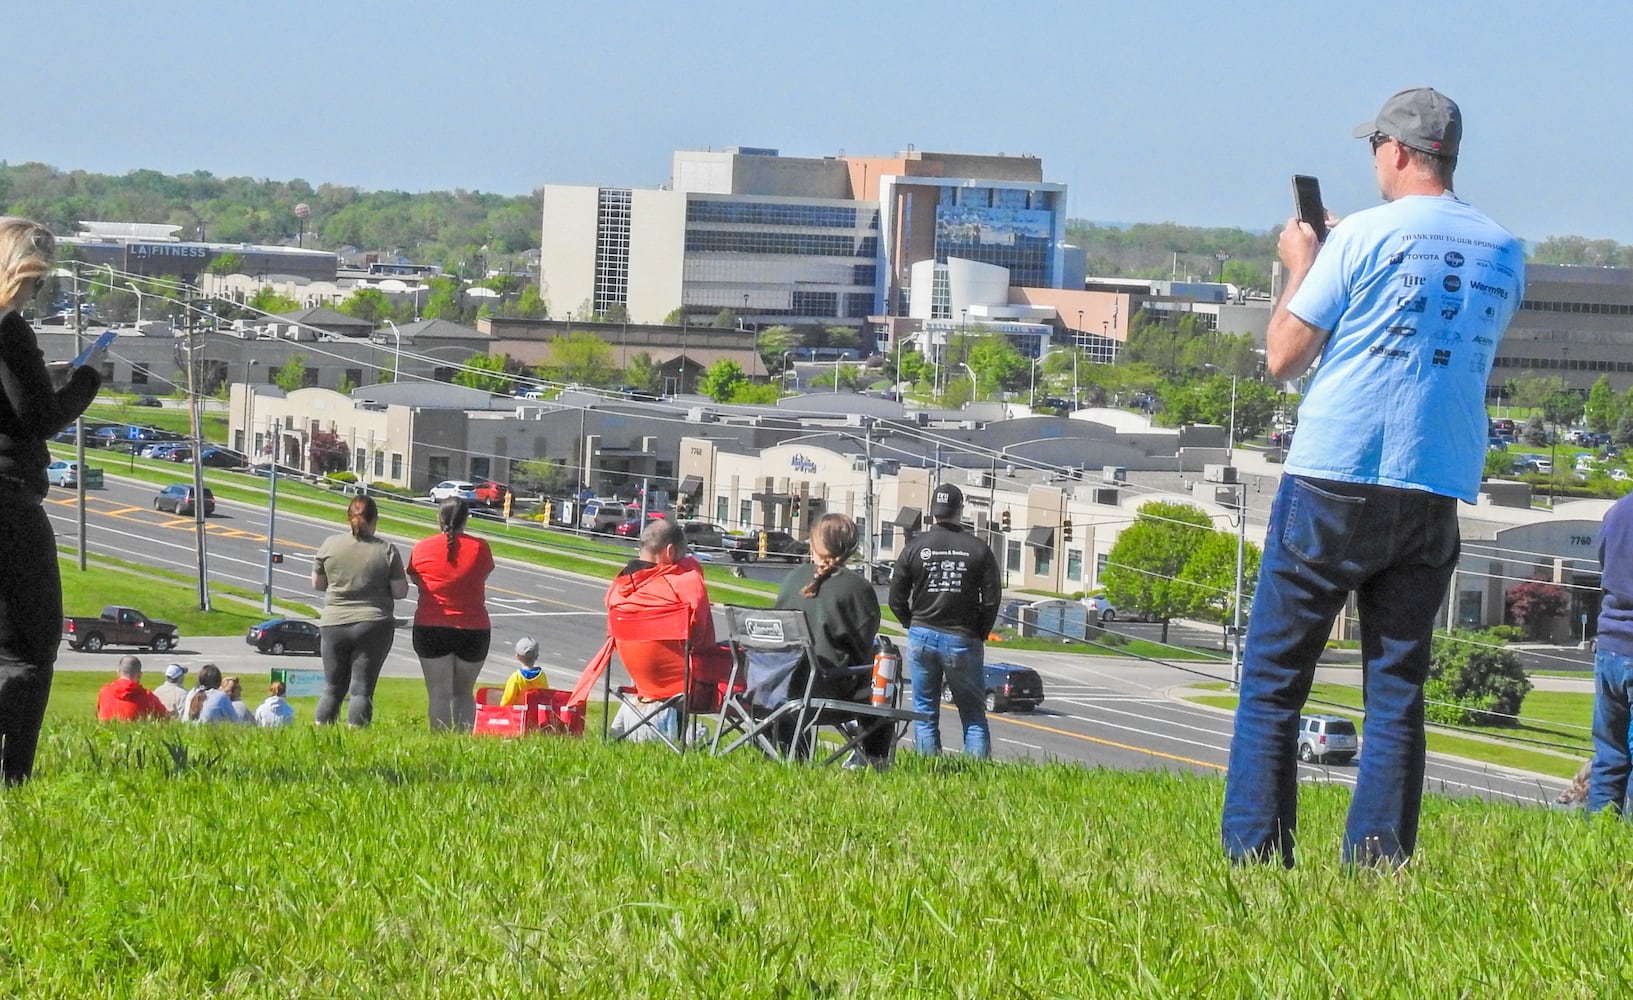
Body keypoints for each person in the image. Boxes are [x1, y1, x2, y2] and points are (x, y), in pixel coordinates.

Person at [1220, 87, 1525, 868]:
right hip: (1435, 480)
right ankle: (1376, 864)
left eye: (1373, 149)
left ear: (1394, 151)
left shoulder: (1357, 235)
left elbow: (1284, 356)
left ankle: (1257, 859)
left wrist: (1300, 265)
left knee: (1273, 682)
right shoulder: (1503, 249)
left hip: (1335, 472)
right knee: (1394, 691)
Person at [0, 218, 103, 781]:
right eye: (36, 283)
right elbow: (37, 418)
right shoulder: (9, 330)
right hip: (9, 498)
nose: (35, 296)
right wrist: (85, 381)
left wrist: (43, 377)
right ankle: (15, 776)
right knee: (31, 646)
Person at [889, 484, 1002, 759]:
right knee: (973, 713)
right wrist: (980, 632)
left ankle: (930, 770)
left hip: (921, 636)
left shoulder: (914, 548)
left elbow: (895, 599)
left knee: (925, 711)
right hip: (962, 638)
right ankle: (974, 774)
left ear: (933, 512)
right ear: (960, 511)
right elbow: (991, 600)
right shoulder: (978, 549)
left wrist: (911, 623)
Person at [775, 513, 890, 761]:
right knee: (884, 680)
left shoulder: (793, 578)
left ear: (814, 544)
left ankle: (790, 754)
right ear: (852, 547)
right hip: (829, 690)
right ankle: (873, 759)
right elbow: (862, 644)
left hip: (781, 686)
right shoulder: (857, 588)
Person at [605, 519, 726, 741]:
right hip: (679, 689)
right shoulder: (680, 586)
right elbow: (700, 640)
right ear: (670, 552)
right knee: (739, 659)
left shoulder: (619, 590)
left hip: (640, 682)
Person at [312, 495, 408, 727]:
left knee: (332, 687)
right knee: (361, 690)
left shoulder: (329, 545)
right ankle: (356, 734)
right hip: (373, 624)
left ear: (348, 519)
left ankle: (320, 732)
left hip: (333, 623)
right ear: (375, 520)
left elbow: (317, 584)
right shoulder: (386, 551)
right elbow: (400, 591)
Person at [407, 498, 495, 731]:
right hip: (473, 628)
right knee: (465, 693)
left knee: (438, 694)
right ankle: (463, 743)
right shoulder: (480, 548)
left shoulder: (421, 548)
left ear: (439, 517)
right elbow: (483, 574)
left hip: (431, 626)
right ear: (466, 519)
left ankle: (441, 745)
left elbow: (416, 579)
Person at [1588, 492, 1633, 814]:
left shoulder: (1619, 510)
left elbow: (1603, 563)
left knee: (1609, 755)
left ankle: (1600, 838)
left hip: (1610, 647)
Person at [95, 655, 169, 722]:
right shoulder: (148, 697)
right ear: (139, 675)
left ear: (118, 673)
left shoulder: (104, 692)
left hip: (105, 734)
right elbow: (165, 718)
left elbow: (98, 714)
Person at [501, 636, 549, 707]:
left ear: (517, 656)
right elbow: (545, 695)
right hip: (534, 714)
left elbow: (507, 700)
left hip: (518, 714)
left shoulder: (516, 677)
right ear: (537, 656)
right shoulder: (542, 676)